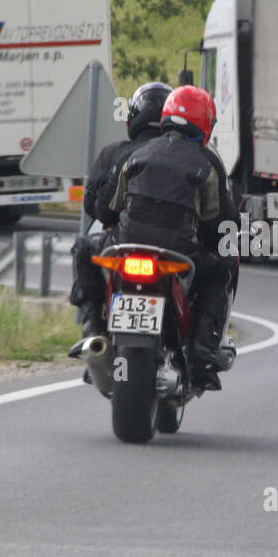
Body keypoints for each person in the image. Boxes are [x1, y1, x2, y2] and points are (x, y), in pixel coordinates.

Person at [106, 85, 239, 390]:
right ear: (205, 123)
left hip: (127, 243)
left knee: (86, 252)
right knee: (221, 269)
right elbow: (216, 221)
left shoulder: (139, 153)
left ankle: (93, 327)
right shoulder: (206, 162)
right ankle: (201, 348)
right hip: (178, 250)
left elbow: (113, 206)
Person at [69, 81, 172, 336]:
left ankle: (93, 326)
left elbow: (96, 208)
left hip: (121, 240)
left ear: (133, 120)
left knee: (84, 247)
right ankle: (200, 341)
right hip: (174, 245)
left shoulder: (112, 154)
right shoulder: (185, 156)